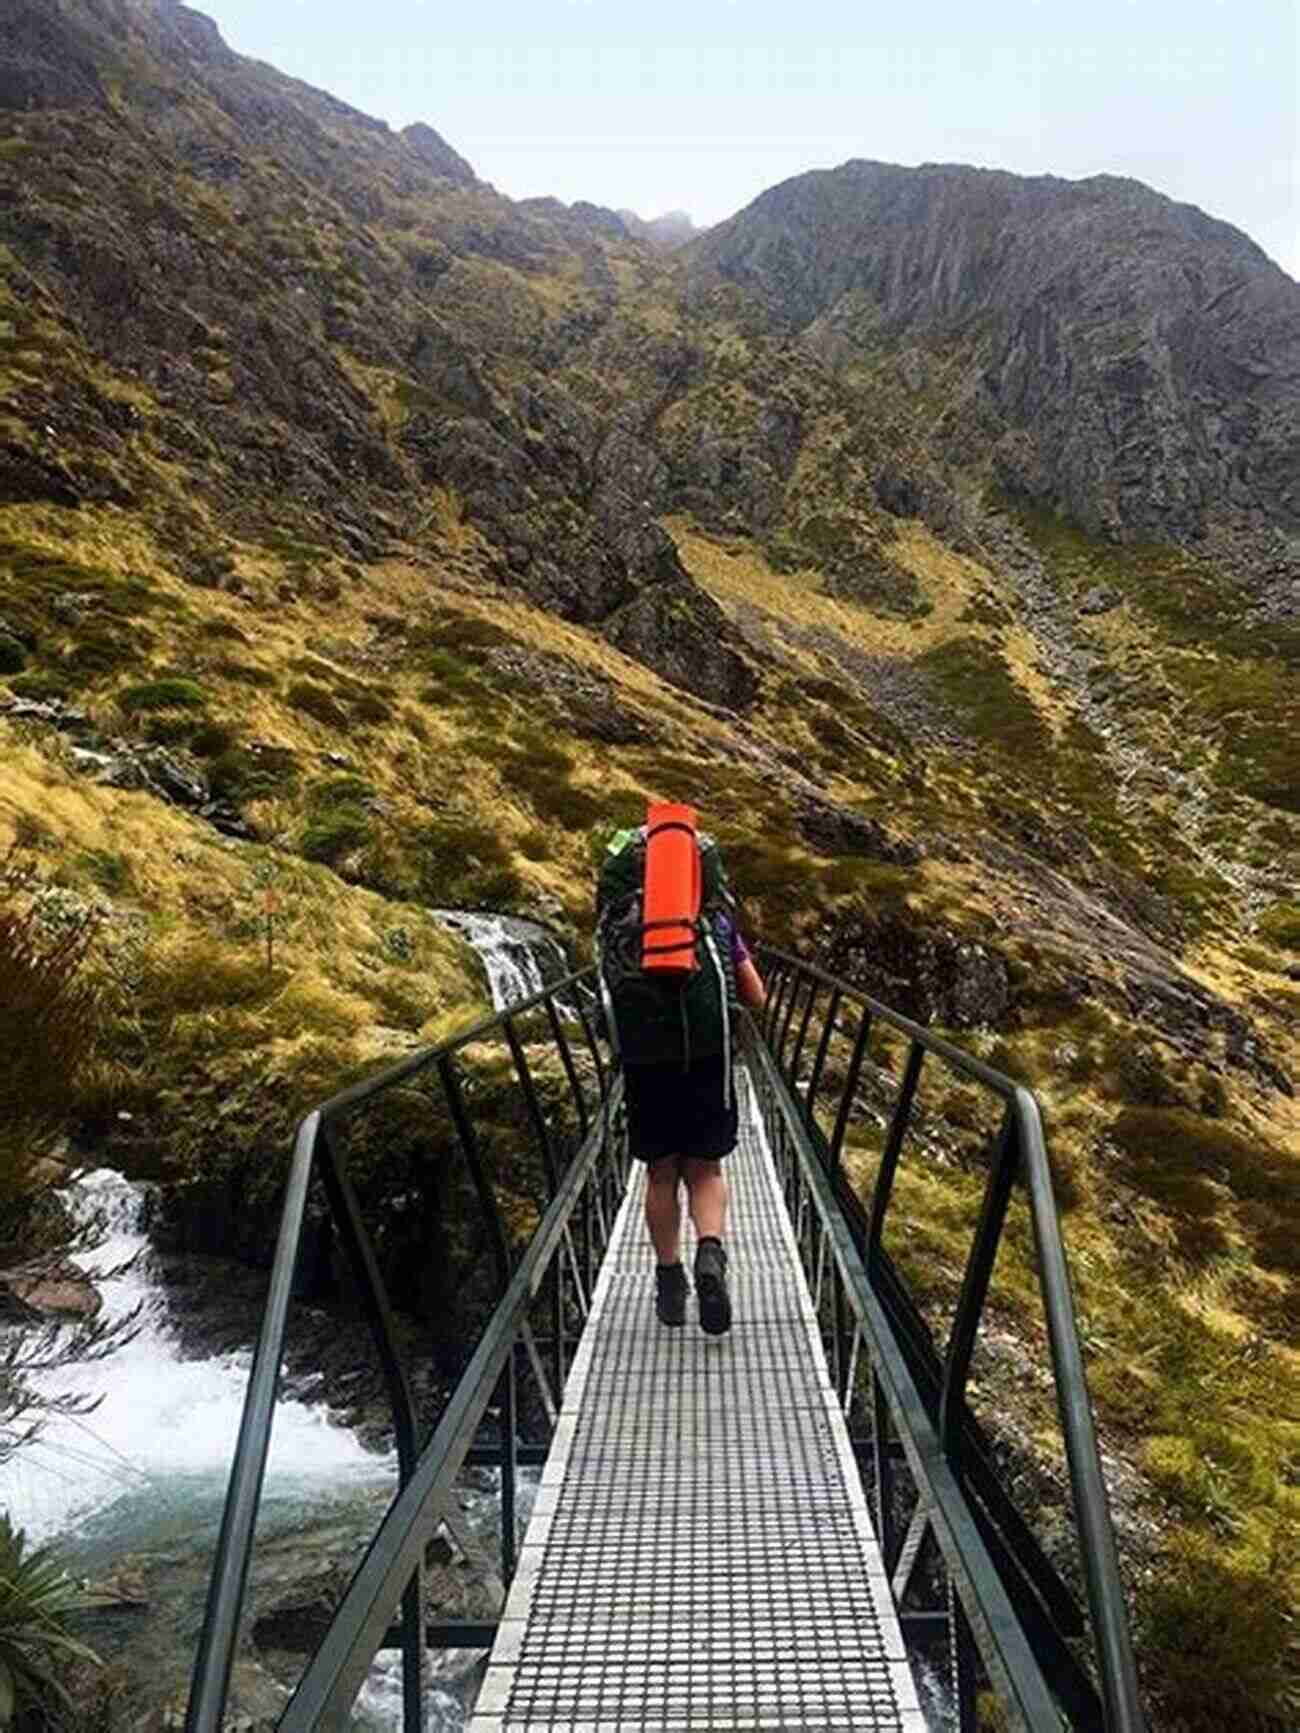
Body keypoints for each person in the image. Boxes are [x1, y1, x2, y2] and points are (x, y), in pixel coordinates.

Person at [597, 817, 767, 1336]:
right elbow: (757, 997)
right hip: (707, 1052)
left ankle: (669, 1278)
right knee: (706, 1168)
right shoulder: (714, 924)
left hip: (646, 1057)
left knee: (660, 1173)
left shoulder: (617, 923)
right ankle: (710, 1254)